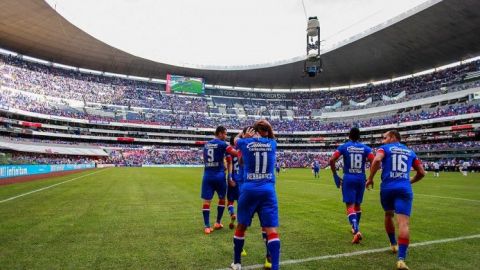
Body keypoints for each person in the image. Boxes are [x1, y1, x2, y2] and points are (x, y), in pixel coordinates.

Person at [366, 130, 425, 270]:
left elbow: (377, 160)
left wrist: (370, 178)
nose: (383, 140)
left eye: (385, 137)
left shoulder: (384, 149)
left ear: (393, 137)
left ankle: (393, 244)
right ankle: (401, 259)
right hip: (404, 189)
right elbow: (422, 172)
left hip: (387, 188)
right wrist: (409, 181)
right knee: (404, 223)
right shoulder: (410, 152)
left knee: (388, 214)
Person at [230, 120, 279, 270]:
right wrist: (267, 125)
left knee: (241, 226)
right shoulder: (271, 143)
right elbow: (272, 135)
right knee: (271, 229)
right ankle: (274, 265)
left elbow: (235, 140)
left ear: (254, 130)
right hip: (267, 190)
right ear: (266, 131)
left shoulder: (245, 143)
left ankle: (237, 263)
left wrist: (244, 135)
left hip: (249, 189)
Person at [329, 127, 374, 244]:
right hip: (361, 178)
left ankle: (356, 231)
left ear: (349, 136)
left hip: (348, 177)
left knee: (350, 205)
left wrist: (335, 175)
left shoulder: (344, 147)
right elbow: (374, 161)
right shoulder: (366, 148)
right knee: (358, 205)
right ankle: (355, 227)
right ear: (359, 137)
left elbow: (332, 159)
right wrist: (371, 177)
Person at [201, 126, 238, 235]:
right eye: (225, 134)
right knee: (222, 199)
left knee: (207, 201)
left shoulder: (207, 144)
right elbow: (235, 152)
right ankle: (217, 222)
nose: (226, 136)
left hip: (207, 175)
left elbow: (205, 159)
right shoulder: (223, 144)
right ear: (220, 133)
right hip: (219, 176)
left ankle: (207, 226)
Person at [226, 136, 240, 230]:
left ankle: (232, 213)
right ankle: (242, 221)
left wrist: (229, 177)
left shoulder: (230, 152)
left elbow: (228, 164)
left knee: (230, 201)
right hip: (241, 179)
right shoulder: (240, 151)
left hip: (233, 177)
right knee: (241, 201)